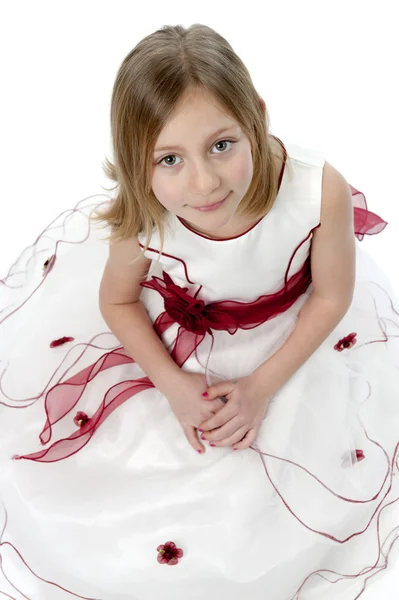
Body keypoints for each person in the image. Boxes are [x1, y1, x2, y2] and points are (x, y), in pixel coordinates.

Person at [0, 22, 398, 600]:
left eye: (221, 145)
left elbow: (333, 295)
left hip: (292, 338)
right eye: (169, 159)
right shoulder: (143, 220)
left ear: (255, 117)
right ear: (136, 161)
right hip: (184, 350)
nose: (204, 182)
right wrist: (173, 385)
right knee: (145, 489)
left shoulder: (317, 191)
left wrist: (260, 387)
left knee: (270, 494)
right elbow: (116, 299)